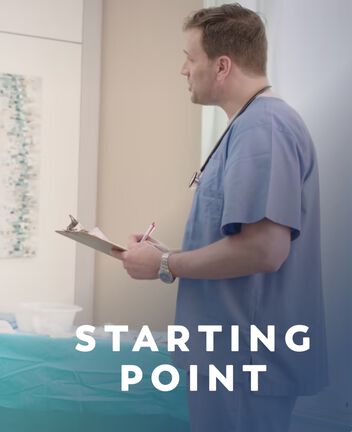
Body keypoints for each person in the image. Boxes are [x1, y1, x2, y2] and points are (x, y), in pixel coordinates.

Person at [113, 4, 328, 431]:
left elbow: (265, 250)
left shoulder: (263, 127)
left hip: (247, 359)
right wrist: (169, 254)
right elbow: (239, 242)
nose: (183, 70)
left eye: (190, 58)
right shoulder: (248, 125)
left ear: (222, 65)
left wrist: (164, 265)